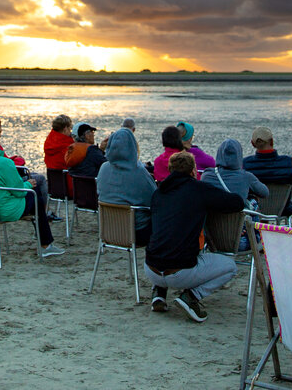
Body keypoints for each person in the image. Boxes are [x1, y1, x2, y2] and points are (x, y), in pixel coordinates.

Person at [145, 152, 245, 322]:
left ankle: (159, 293)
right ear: (193, 172)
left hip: (151, 268)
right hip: (179, 271)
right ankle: (191, 297)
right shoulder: (198, 190)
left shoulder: (158, 193)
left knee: (165, 240)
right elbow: (236, 203)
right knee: (230, 266)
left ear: (170, 171)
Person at [0, 124, 64, 257]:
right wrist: (28, 184)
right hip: (3, 211)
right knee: (35, 196)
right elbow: (19, 191)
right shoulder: (4, 163)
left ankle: (42, 236)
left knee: (31, 198)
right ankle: (45, 245)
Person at [97, 127, 157, 245]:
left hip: (107, 230)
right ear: (132, 147)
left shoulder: (103, 168)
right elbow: (154, 200)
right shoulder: (139, 172)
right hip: (136, 233)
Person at [242, 126, 292, 215]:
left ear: (252, 143)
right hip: (283, 210)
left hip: (255, 210)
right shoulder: (289, 162)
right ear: (272, 141)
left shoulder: (245, 164)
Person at [202, 138, 269, 206]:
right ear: (239, 155)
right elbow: (265, 193)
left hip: (213, 215)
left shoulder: (207, 176)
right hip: (237, 216)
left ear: (219, 154)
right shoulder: (246, 177)